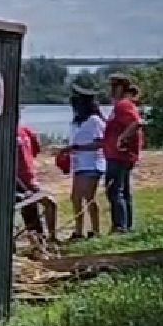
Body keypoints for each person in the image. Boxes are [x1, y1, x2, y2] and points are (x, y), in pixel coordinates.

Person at [103, 74, 145, 234]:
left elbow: (137, 123)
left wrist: (121, 139)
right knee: (123, 190)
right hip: (117, 155)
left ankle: (120, 226)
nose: (111, 91)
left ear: (120, 88)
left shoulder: (123, 105)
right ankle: (125, 225)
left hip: (119, 155)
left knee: (115, 190)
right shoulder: (121, 106)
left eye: (113, 87)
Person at [66, 87, 107, 240]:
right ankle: (78, 231)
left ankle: (95, 231)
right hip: (80, 164)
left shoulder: (94, 121)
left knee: (89, 197)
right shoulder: (80, 122)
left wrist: (77, 147)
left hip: (92, 164)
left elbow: (100, 143)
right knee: (75, 197)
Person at [16, 123, 58, 242]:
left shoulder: (25, 130)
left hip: (29, 178)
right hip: (18, 180)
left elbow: (35, 150)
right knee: (31, 210)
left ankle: (50, 238)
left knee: (49, 203)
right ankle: (38, 241)